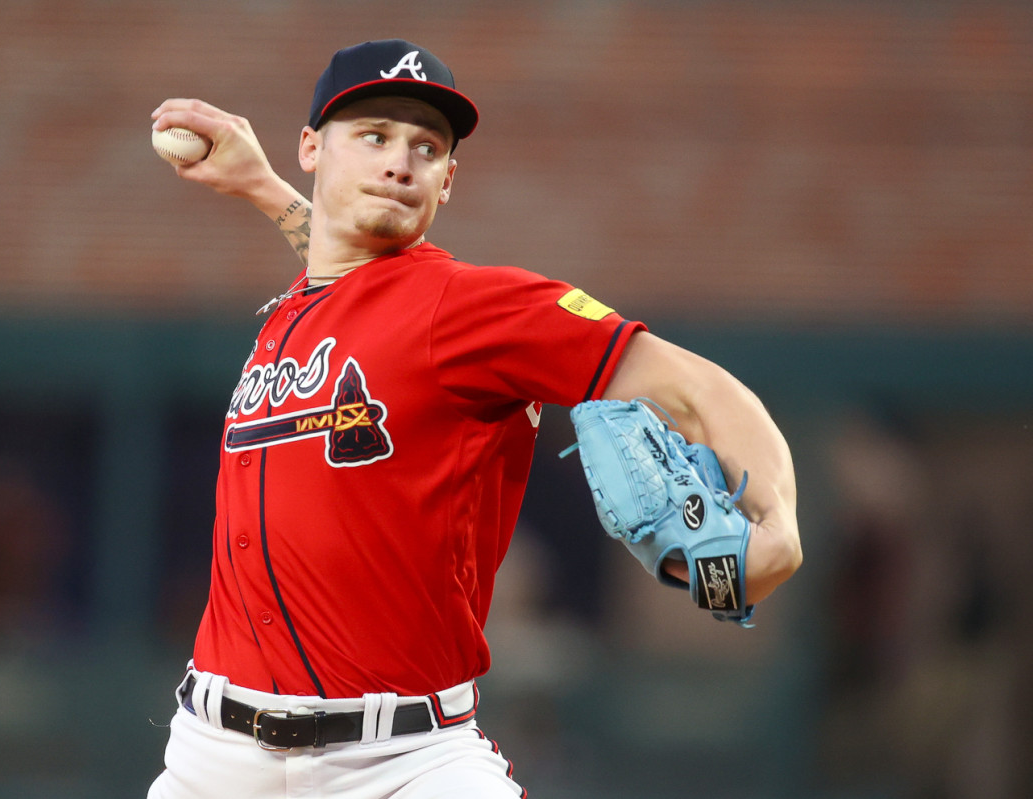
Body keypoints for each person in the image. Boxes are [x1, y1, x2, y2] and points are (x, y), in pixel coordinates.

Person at [147, 39, 801, 798]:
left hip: (404, 762)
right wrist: (263, 188)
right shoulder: (301, 306)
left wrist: (778, 527)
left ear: (448, 181)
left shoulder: (474, 308)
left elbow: (701, 389)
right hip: (215, 757)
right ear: (310, 148)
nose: (400, 163)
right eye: (373, 136)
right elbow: (341, 265)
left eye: (427, 148)